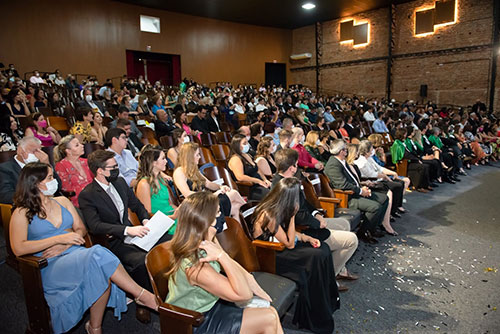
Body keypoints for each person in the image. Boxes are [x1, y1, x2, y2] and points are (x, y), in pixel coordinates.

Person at [10, 162, 158, 334]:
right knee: (98, 255)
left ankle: (95, 327)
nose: (54, 181)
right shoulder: (21, 212)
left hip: (73, 252)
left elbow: (80, 229)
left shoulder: (62, 201)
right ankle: (142, 296)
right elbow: (19, 248)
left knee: (100, 265)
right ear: (35, 183)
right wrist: (59, 238)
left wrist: (64, 244)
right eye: (50, 178)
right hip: (48, 263)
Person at [165, 192, 283, 334]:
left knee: (271, 312)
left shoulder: (207, 239)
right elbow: (244, 295)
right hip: (195, 321)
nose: (221, 216)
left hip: (210, 304)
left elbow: (230, 263)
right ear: (207, 221)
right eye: (218, 212)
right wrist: (222, 256)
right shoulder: (196, 266)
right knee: (268, 318)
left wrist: (252, 282)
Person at [79, 150, 171, 323]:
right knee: (143, 261)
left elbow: (137, 205)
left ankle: (170, 290)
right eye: (113, 167)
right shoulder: (88, 195)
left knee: (170, 242)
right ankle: (144, 302)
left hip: (134, 232)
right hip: (114, 241)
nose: (117, 170)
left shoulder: (120, 183)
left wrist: (144, 219)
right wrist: (127, 231)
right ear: (100, 171)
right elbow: (95, 226)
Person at [250, 177, 339, 334]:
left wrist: (307, 238)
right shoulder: (268, 213)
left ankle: (327, 303)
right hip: (270, 255)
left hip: (280, 246)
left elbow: (289, 235)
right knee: (315, 258)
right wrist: (292, 215)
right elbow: (290, 243)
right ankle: (312, 317)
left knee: (323, 249)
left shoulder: (277, 207)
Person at [273, 149, 359, 284]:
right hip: (302, 229)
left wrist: (317, 214)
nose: (298, 167)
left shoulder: (289, 180)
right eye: (297, 165)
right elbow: (298, 216)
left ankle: (339, 268)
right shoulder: (283, 187)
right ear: (291, 168)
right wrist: (318, 223)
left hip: (309, 220)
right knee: (352, 240)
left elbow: (305, 204)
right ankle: (329, 279)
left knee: (344, 224)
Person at [324, 139, 388, 244]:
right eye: (345, 149)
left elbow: (353, 180)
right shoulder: (333, 164)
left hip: (355, 192)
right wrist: (360, 191)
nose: (347, 151)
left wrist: (362, 186)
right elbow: (342, 185)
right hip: (347, 197)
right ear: (341, 151)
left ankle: (373, 228)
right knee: (375, 207)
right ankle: (363, 232)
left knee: (384, 198)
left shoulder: (342, 162)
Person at [174, 142, 245, 221]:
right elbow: (187, 194)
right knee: (234, 193)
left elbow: (208, 184)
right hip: (197, 205)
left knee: (236, 209)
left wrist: (220, 187)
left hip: (206, 200)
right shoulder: (179, 172)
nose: (200, 157)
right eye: (197, 155)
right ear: (189, 157)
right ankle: (250, 213)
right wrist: (211, 195)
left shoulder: (194, 170)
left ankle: (241, 230)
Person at [135, 148, 178, 235]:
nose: (166, 161)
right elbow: (147, 214)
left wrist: (180, 211)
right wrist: (171, 218)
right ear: (154, 163)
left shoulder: (161, 180)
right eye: (163, 158)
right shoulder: (144, 184)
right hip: (162, 223)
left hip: (173, 217)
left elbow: (170, 204)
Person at [0, 137, 52, 204]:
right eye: (34, 151)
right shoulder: (4, 169)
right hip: (25, 206)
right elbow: (5, 196)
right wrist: (35, 197)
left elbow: (58, 187)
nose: (38, 155)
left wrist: (47, 165)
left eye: (40, 151)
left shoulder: (40, 165)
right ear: (20, 151)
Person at [228, 134, 271, 201]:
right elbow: (240, 177)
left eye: (247, 142)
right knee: (271, 195)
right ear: (237, 146)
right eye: (244, 143)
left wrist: (265, 179)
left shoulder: (247, 155)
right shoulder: (235, 159)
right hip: (250, 187)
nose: (247, 144)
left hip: (260, 183)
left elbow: (257, 168)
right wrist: (258, 181)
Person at [54, 135, 94, 207]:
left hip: (94, 195)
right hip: (79, 199)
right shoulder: (61, 166)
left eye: (80, 143)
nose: (82, 146)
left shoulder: (86, 161)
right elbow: (66, 188)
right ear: (68, 151)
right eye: (77, 145)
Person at [391, 128, 432, 192]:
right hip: (403, 163)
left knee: (426, 166)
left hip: (409, 161)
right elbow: (405, 155)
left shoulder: (402, 142)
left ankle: (426, 185)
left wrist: (418, 159)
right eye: (405, 133)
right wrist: (417, 160)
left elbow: (410, 153)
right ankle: (417, 186)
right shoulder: (397, 144)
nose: (406, 135)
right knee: (422, 167)